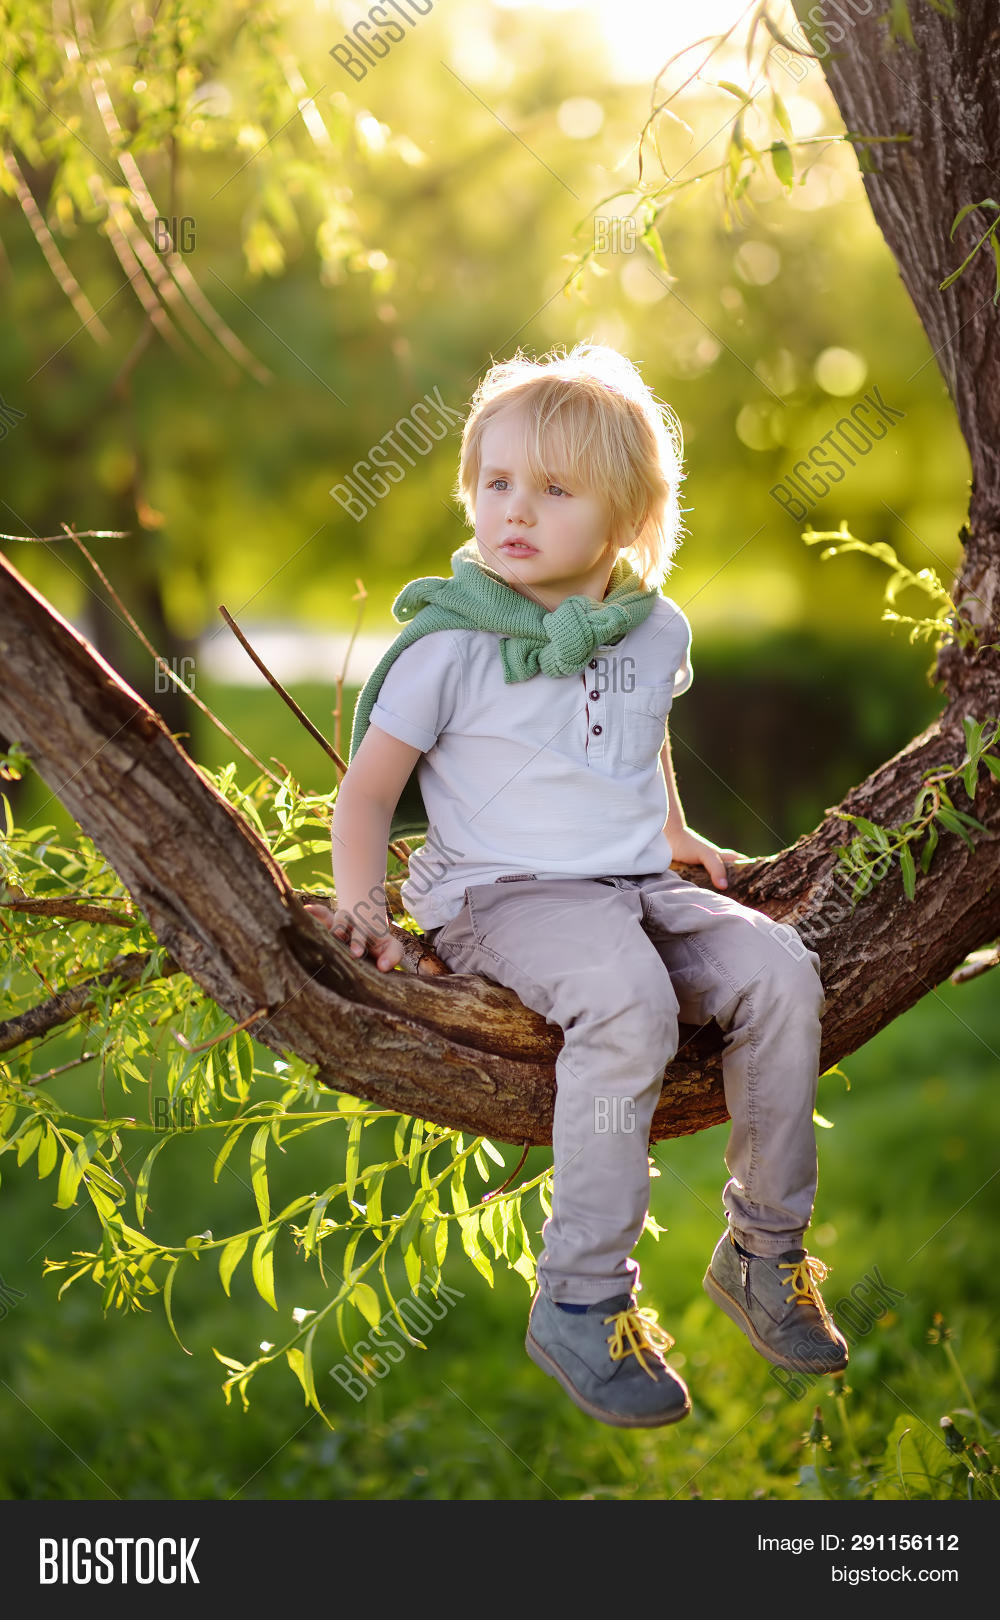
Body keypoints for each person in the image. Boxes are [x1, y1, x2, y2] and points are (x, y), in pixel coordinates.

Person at [307, 342, 847, 1429]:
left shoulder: (655, 630)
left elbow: (634, 739)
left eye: (555, 490)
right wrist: (364, 905)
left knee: (781, 971)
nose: (514, 510)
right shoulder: (449, 647)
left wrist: (676, 830)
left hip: (628, 881)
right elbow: (366, 796)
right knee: (629, 1003)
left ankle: (763, 1247)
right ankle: (582, 1296)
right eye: (495, 483)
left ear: (627, 517)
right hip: (503, 898)